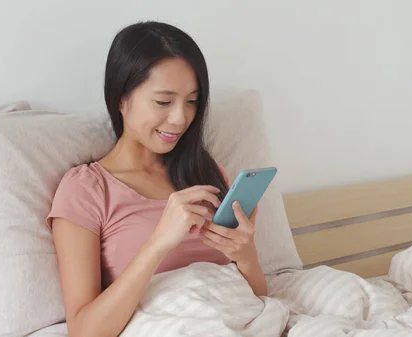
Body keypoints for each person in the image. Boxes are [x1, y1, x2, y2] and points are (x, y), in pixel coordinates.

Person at [46, 21, 266, 337]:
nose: (180, 118)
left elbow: (259, 303)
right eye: (163, 101)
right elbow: (83, 331)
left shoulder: (205, 172)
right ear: (121, 98)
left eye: (192, 101)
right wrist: (160, 240)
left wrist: (246, 256)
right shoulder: (86, 190)